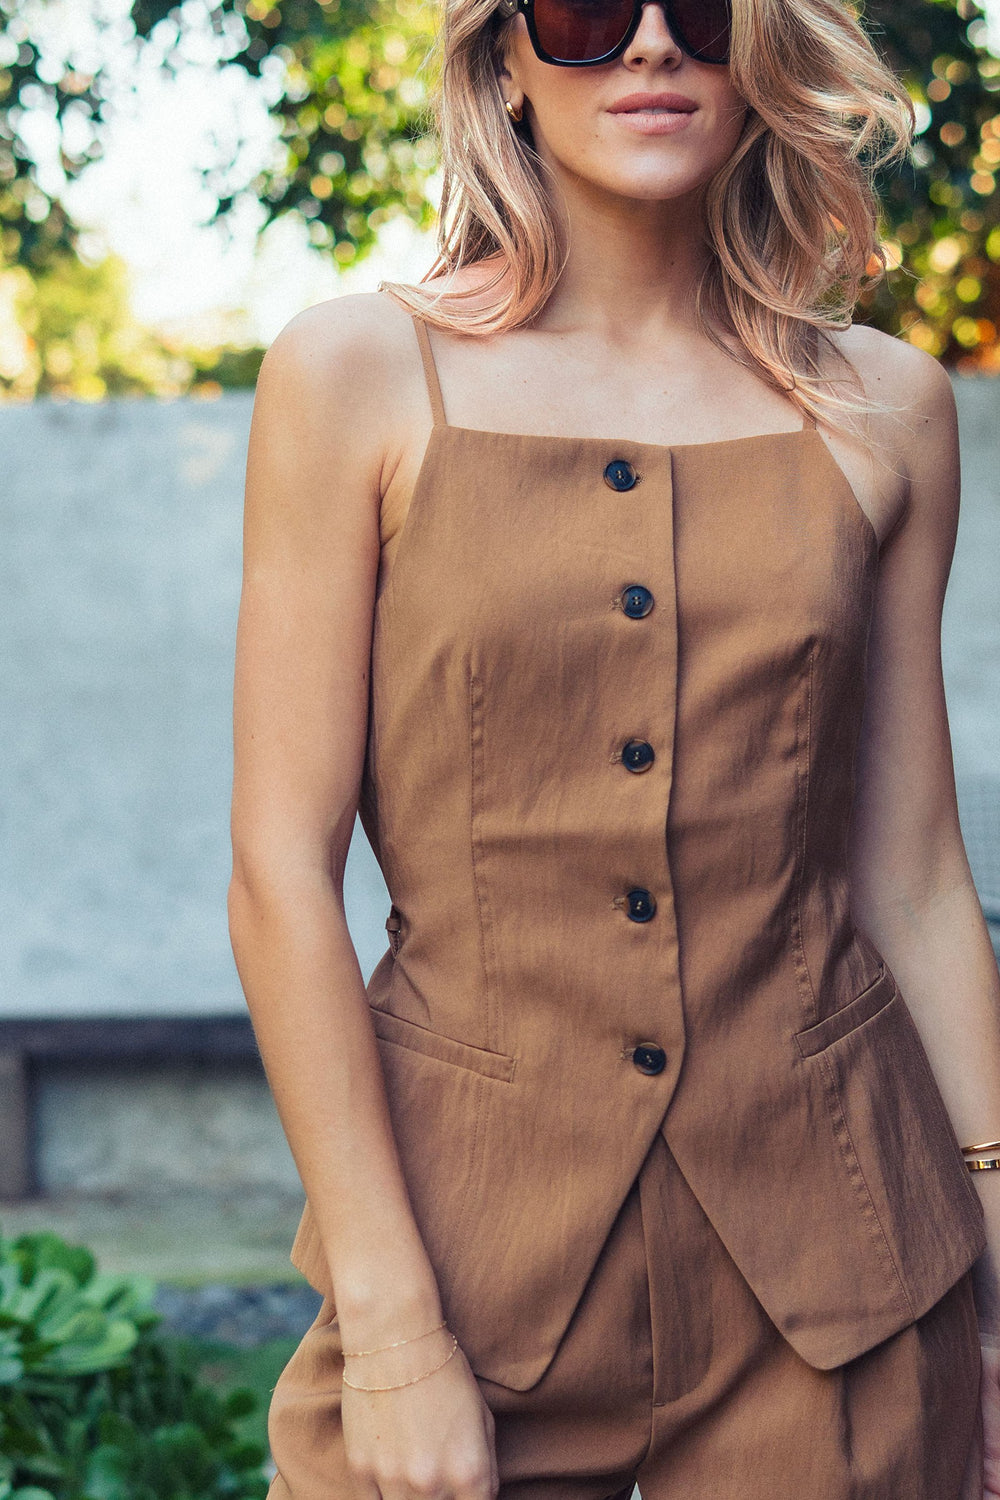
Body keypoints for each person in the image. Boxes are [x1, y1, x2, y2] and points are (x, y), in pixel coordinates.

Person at [227, 0, 1000, 1494]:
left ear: (764, 45)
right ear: (505, 58)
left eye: (700, 11)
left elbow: (907, 876)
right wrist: (390, 1334)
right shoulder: (355, 376)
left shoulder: (887, 408)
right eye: (584, 12)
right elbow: (279, 873)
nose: (649, 47)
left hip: (840, 1270)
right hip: (463, 1266)